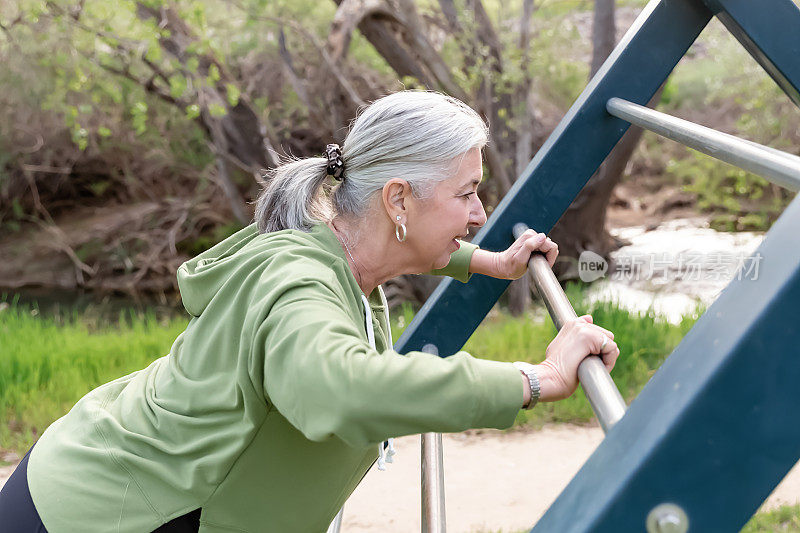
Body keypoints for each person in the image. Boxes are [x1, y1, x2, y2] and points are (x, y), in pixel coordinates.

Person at [0, 90, 619, 532]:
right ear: (398, 199)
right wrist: (533, 381)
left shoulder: (341, 242)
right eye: (466, 194)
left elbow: (410, 246)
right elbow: (342, 390)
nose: (480, 213)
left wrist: (489, 263)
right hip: (106, 512)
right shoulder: (301, 284)